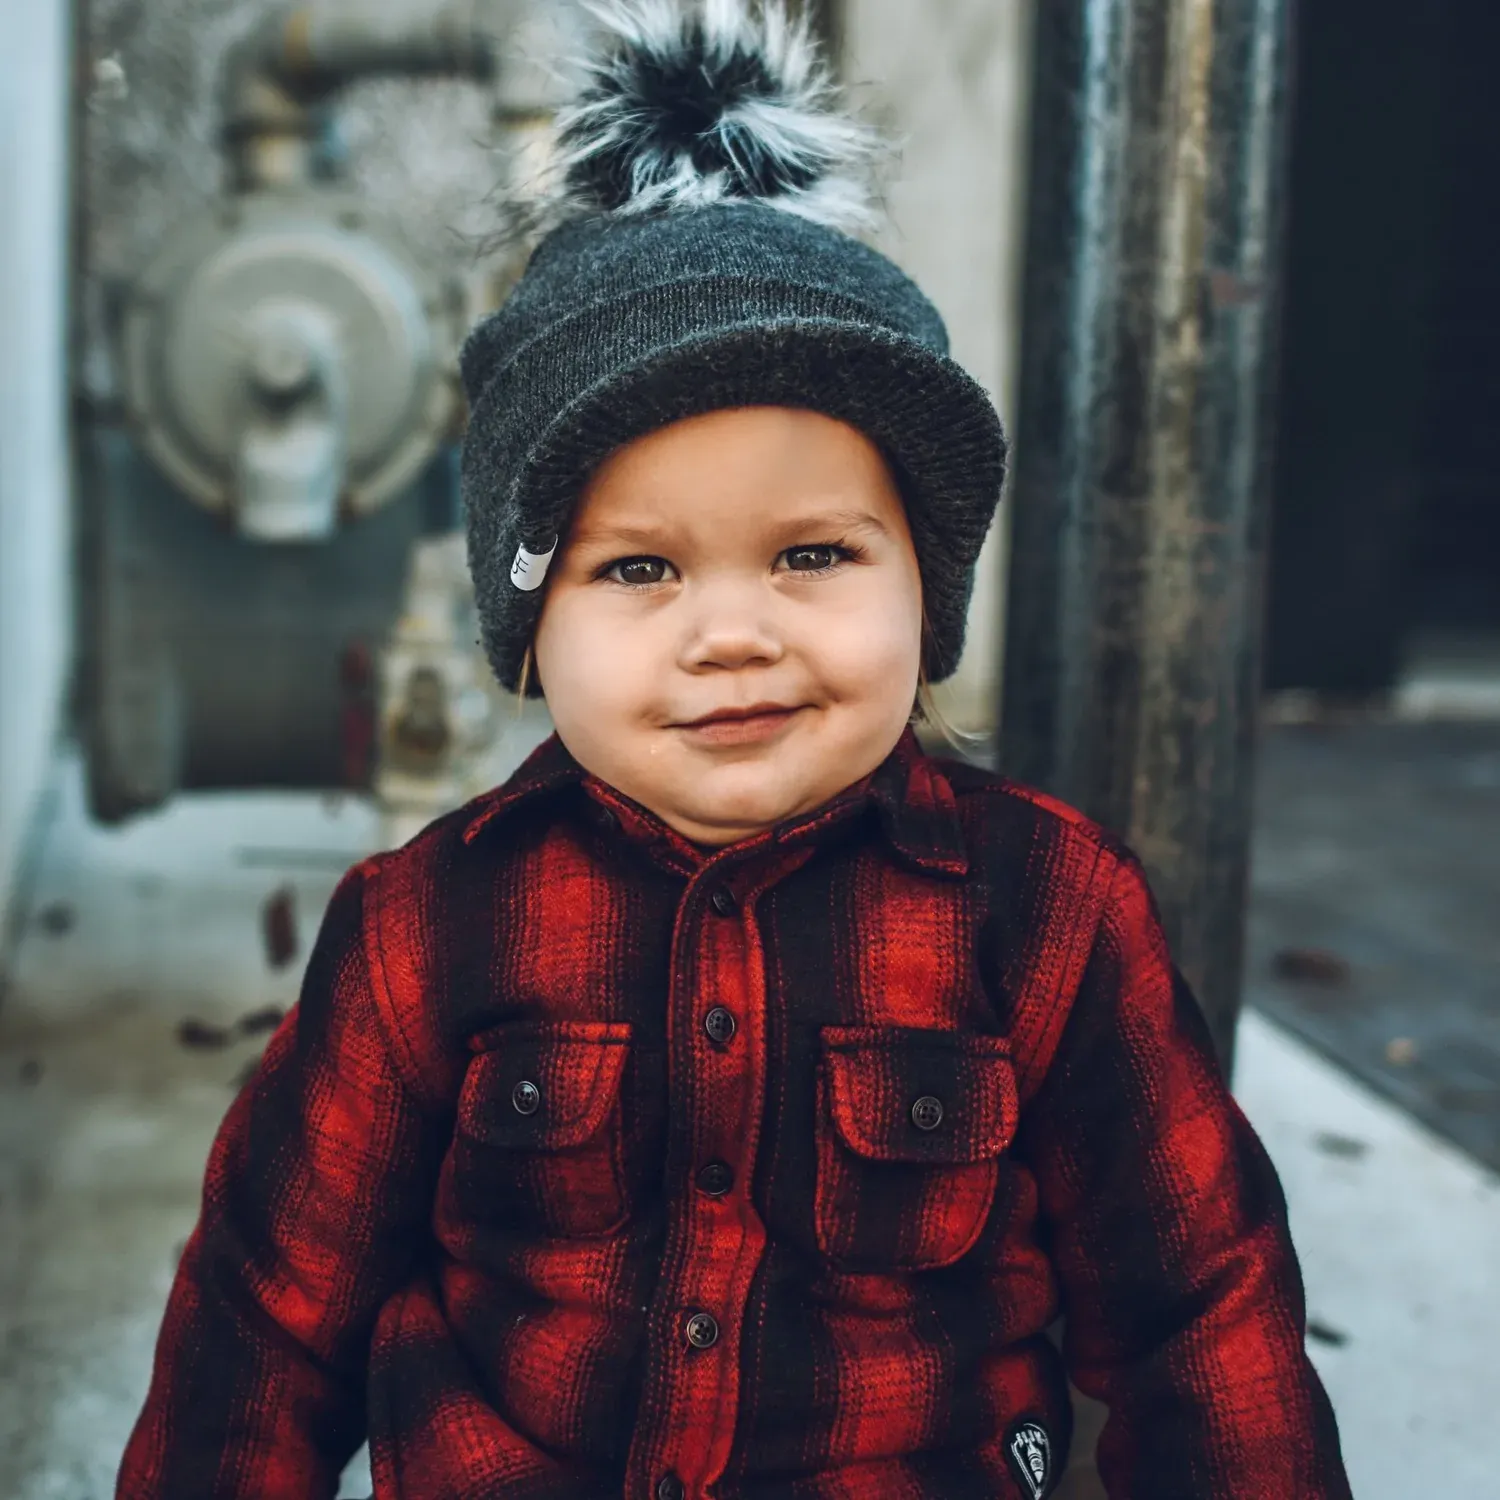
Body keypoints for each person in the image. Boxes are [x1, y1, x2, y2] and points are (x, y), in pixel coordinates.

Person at [116, 2, 1353, 1496]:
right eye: (639, 569)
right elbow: (268, 1327)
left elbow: (1198, 1317)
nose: (733, 634)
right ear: (532, 629)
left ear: (925, 584)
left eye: (815, 554)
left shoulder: (1046, 914)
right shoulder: (423, 931)